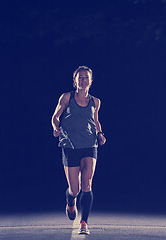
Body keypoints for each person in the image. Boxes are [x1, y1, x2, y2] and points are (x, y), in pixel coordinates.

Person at [51, 66, 106, 235]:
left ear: (91, 81)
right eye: (80, 77)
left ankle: (84, 222)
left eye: (86, 77)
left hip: (90, 145)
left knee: (87, 184)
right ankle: (70, 202)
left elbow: (95, 121)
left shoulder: (96, 101)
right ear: (75, 81)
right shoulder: (67, 97)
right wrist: (56, 128)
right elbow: (55, 117)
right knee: (74, 189)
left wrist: (100, 134)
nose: (83, 80)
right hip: (70, 146)